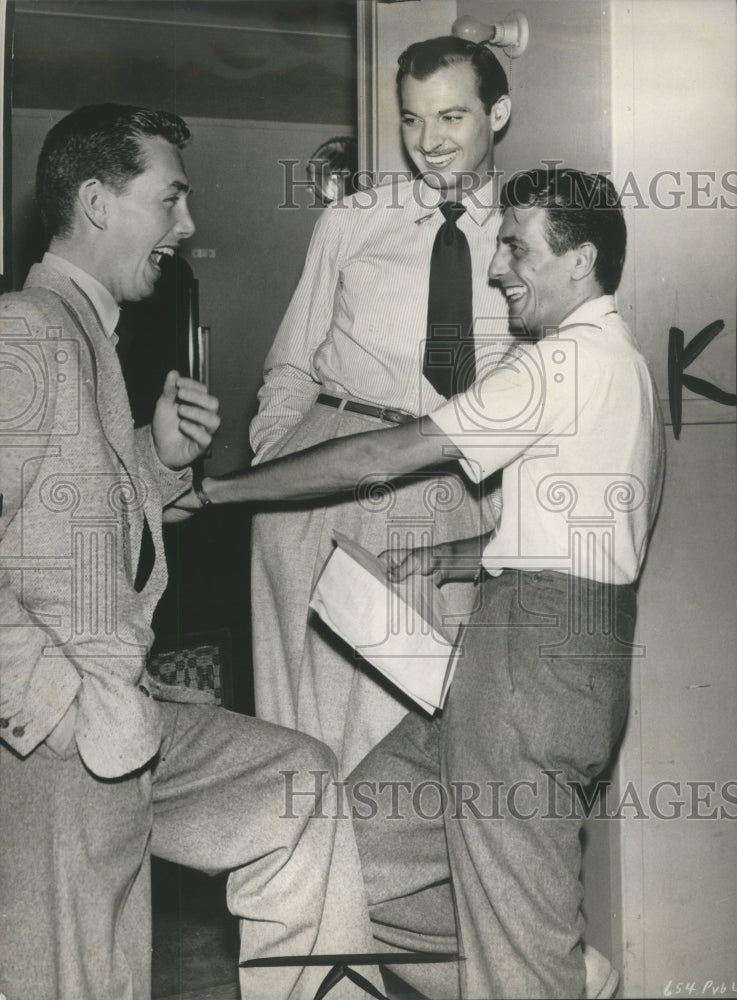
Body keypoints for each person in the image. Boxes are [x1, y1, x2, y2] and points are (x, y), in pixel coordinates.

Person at [186, 168, 666, 998]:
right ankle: (558, 966)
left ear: (579, 258)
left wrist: (220, 490)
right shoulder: (623, 371)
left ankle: (541, 967)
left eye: (515, 247)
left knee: (516, 942)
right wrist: (449, 556)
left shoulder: (558, 365)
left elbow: (381, 454)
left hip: (532, 665)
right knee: (334, 855)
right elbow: (589, 531)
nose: (495, 268)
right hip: (544, 650)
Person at [0, 104, 379, 1000]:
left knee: (296, 787)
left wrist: (152, 457)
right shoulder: (25, 329)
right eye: (170, 199)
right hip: (60, 741)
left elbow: (64, 512)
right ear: (95, 201)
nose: (188, 225)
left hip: (123, 716)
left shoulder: (84, 331)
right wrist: (44, 699)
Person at [248, 36, 512, 774]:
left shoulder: (532, 237)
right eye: (410, 119)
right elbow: (292, 361)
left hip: (453, 492)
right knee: (309, 735)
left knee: (427, 734)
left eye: (451, 117)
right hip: (326, 478)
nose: (428, 142)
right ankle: (309, 885)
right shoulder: (353, 220)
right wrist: (281, 460)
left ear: (498, 113)